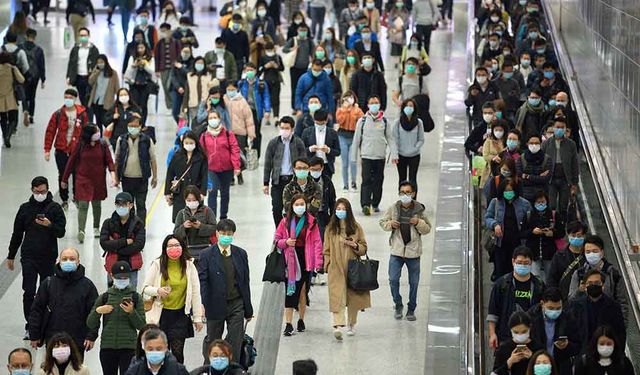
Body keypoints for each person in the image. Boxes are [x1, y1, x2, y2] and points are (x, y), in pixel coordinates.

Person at [7, 176, 66, 340]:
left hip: (48, 256)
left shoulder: (55, 209)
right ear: (32, 190)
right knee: (29, 291)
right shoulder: (24, 209)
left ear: (47, 190)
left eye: (43, 191)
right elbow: (17, 233)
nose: (40, 194)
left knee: (47, 291)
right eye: (37, 191)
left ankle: (46, 323)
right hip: (29, 257)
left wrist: (49, 225)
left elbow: (61, 232)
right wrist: (11, 255)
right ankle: (31, 324)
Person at [198, 219, 254, 363]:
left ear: (233, 234)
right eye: (222, 233)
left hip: (236, 303)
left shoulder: (241, 254)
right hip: (214, 304)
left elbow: (245, 282)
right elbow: (203, 282)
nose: (226, 236)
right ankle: (209, 366)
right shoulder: (206, 255)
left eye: (229, 233)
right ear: (217, 233)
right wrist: (202, 304)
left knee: (236, 339)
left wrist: (248, 310)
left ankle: (232, 367)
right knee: (213, 339)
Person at [142, 235, 204, 364]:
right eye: (170, 246)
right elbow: (145, 289)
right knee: (161, 352)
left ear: (182, 247)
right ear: (165, 249)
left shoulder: (189, 265)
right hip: (161, 315)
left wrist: (197, 317)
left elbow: (195, 293)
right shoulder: (157, 264)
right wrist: (157, 290)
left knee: (177, 353)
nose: (173, 248)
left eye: (177, 245)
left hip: (180, 315)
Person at [28, 248, 99, 352]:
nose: (68, 261)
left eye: (72, 259)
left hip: (78, 341)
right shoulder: (48, 284)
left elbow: (94, 313)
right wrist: (34, 334)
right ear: (59, 261)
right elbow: (36, 310)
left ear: (78, 262)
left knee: (76, 368)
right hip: (53, 340)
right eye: (64, 259)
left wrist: (91, 336)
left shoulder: (87, 286)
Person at [380, 180, 432, 320]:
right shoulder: (393, 208)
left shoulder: (419, 209)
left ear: (413, 193)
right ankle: (398, 304)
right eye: (402, 192)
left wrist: (419, 223)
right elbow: (382, 222)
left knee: (414, 283)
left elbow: (427, 228)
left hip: (413, 252)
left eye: (408, 192)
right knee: (393, 279)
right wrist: (390, 224)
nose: (405, 195)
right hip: (396, 251)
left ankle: (411, 308)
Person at [274, 194, 323, 336]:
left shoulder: (312, 222)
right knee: (290, 292)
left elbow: (317, 243)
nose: (300, 207)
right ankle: (288, 323)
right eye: (297, 204)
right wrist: (286, 242)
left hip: (305, 259)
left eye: (302, 204)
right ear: (292, 206)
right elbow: (277, 240)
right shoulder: (285, 222)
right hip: (290, 259)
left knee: (302, 290)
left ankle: (301, 319)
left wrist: (318, 263)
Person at [87, 261, 146, 375]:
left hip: (129, 348)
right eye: (119, 277)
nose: (122, 280)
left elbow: (142, 326)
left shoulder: (136, 297)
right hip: (107, 347)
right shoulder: (104, 296)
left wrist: (131, 312)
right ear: (112, 276)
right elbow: (90, 323)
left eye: (125, 277)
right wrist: (98, 311)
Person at [322, 198, 369, 340]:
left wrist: (354, 245)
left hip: (353, 266)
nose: (340, 211)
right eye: (338, 209)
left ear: (348, 211)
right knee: (337, 296)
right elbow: (326, 249)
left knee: (353, 296)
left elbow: (364, 248)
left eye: (343, 209)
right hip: (336, 268)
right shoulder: (330, 229)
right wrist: (328, 264)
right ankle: (337, 325)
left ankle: (351, 323)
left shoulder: (356, 227)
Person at [62, 125, 115, 243]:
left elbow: (109, 161)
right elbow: (71, 161)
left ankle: (96, 227)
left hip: (98, 180)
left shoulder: (102, 145)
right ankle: (81, 230)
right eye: (96, 131)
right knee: (83, 205)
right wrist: (64, 179)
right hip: (83, 179)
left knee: (96, 204)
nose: (98, 133)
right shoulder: (80, 145)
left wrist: (113, 175)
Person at [488, 246, 545, 347]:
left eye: (526, 263)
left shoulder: (538, 285)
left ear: (531, 263)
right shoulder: (502, 284)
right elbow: (493, 312)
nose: (522, 266)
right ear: (513, 261)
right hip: (506, 336)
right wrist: (492, 334)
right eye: (519, 262)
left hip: (531, 337)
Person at [43, 89, 89, 210]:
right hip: (61, 149)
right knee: (63, 174)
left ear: (75, 99)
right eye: (66, 97)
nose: (68, 99)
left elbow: (87, 132)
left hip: (77, 151)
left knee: (77, 174)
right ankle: (64, 199)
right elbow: (50, 132)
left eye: (70, 97)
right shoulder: (58, 114)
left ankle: (76, 197)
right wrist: (47, 150)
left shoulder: (82, 114)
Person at [351, 95, 397, 215]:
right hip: (366, 156)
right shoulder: (362, 121)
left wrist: (394, 154)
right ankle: (365, 204)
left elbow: (390, 138)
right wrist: (353, 157)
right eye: (372, 103)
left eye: (376, 102)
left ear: (379, 104)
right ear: (368, 105)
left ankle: (375, 203)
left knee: (378, 180)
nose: (374, 105)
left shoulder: (385, 121)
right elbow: (356, 139)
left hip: (380, 156)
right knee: (366, 180)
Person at [567, 235, 628, 320]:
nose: (591, 254)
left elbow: (622, 303)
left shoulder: (613, 274)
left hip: (608, 322)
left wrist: (622, 325)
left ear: (602, 252)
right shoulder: (579, 274)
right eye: (588, 252)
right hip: (584, 321)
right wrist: (579, 290)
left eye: (595, 251)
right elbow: (571, 300)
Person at [263, 117, 307, 226]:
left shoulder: (298, 142)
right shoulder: (273, 143)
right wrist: (265, 183)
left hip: (293, 182)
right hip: (278, 181)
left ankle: (292, 231)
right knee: (277, 208)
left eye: (287, 128)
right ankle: (279, 231)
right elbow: (268, 163)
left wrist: (304, 180)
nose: (284, 130)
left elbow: (304, 163)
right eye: (282, 128)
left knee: (293, 209)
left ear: (292, 129)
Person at [567, 270, 627, 349]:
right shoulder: (576, 305)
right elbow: (571, 331)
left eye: (597, 283)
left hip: (606, 353)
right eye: (590, 283)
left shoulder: (614, 306)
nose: (593, 285)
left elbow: (620, 333)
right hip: (583, 354)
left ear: (603, 286)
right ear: (585, 286)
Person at [114, 116, 158, 223]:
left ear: (140, 127)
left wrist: (155, 176)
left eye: (135, 126)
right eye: (130, 126)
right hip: (126, 178)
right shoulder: (121, 140)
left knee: (141, 204)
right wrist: (116, 177)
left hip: (141, 178)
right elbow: (117, 159)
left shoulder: (147, 140)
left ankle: (141, 227)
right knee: (128, 205)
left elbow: (153, 159)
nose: (133, 128)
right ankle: (130, 226)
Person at [527, 287, 581, 375]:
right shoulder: (530, 318)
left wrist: (567, 345)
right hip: (537, 366)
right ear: (542, 303)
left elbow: (578, 345)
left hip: (561, 367)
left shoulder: (568, 318)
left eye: (558, 308)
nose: (555, 311)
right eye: (550, 308)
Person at [486, 180, 532, 278]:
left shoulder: (524, 204)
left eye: (510, 190)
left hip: (518, 244)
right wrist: (495, 225)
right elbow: (487, 218)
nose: (508, 193)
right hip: (500, 244)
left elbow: (530, 221)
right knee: (501, 271)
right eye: (506, 190)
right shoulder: (496, 202)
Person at [199, 111, 241, 219]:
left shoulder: (228, 134)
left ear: (219, 119)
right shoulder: (204, 136)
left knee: (225, 193)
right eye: (211, 118)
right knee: (212, 192)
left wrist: (236, 166)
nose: (213, 120)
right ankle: (212, 217)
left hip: (227, 169)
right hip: (211, 169)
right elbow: (201, 154)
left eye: (215, 117)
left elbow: (235, 149)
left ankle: (223, 216)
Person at [99, 192, 146, 288]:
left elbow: (139, 245)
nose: (121, 207)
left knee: (131, 294)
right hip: (113, 265)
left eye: (124, 204)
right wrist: (125, 242)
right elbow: (104, 243)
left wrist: (115, 247)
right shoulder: (108, 223)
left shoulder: (138, 224)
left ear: (131, 205)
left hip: (131, 266)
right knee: (112, 293)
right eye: (118, 204)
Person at [165, 131, 209, 222]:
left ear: (196, 143)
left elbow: (204, 175)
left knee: (196, 219)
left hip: (196, 193)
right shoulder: (177, 156)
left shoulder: (201, 157)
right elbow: (169, 174)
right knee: (180, 220)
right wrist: (167, 192)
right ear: (182, 143)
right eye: (186, 143)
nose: (189, 145)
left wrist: (203, 192)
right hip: (180, 193)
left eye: (191, 143)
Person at [541, 117, 579, 220]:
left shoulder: (571, 144)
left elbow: (574, 164)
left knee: (563, 205)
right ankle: (552, 223)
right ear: (553, 128)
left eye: (562, 127)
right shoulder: (546, 144)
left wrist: (574, 183)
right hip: (551, 179)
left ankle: (562, 224)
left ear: (566, 129)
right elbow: (540, 161)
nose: (559, 129)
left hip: (565, 179)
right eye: (557, 127)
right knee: (551, 205)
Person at [173, 185, 217, 261]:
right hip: (187, 250)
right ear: (185, 200)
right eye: (189, 200)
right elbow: (176, 234)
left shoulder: (207, 211)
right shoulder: (181, 213)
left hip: (205, 249)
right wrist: (183, 227)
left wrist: (201, 226)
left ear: (198, 199)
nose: (191, 202)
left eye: (194, 200)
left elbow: (214, 229)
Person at [238, 62, 271, 158]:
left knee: (256, 133)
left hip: (256, 111)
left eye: (251, 70)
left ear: (255, 71)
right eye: (247, 70)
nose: (249, 72)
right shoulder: (241, 83)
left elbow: (266, 97)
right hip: (244, 112)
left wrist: (267, 110)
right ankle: (244, 155)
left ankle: (256, 155)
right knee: (243, 133)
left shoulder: (261, 84)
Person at [224, 82, 255, 183]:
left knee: (239, 154)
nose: (230, 92)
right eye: (229, 90)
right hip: (227, 132)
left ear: (236, 90)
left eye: (232, 90)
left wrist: (251, 133)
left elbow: (249, 118)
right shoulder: (224, 100)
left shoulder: (242, 101)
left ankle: (239, 173)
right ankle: (231, 177)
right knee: (228, 155)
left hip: (240, 132)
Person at [524, 191, 558, 283]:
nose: (540, 204)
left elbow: (561, 232)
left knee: (550, 278)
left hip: (549, 253)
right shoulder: (529, 215)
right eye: (538, 202)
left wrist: (552, 233)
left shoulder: (553, 215)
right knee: (535, 278)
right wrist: (532, 231)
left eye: (543, 202)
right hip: (533, 252)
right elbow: (522, 233)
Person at [547, 220, 586, 299]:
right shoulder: (559, 256)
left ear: (584, 236)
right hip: (565, 298)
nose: (576, 238)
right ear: (568, 235)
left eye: (579, 235)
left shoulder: (588, 254)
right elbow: (552, 279)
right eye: (573, 235)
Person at [124, 328, 190, 374]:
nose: (154, 352)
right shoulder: (135, 371)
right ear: (144, 348)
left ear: (166, 347)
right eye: (150, 349)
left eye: (159, 349)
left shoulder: (178, 371)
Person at [335, 91, 363, 192]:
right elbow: (340, 121)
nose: (348, 100)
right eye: (346, 98)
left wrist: (353, 110)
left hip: (354, 137)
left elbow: (361, 121)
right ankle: (345, 184)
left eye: (350, 98)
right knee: (345, 162)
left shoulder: (357, 110)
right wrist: (346, 110)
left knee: (353, 161)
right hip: (342, 136)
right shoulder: (339, 110)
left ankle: (353, 182)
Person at [395, 99, 425, 192]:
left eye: (411, 106)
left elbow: (421, 139)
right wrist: (396, 152)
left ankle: (413, 201)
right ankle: (402, 201)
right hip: (401, 155)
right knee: (402, 179)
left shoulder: (419, 123)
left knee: (413, 179)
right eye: (407, 106)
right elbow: (395, 138)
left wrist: (415, 147)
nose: (409, 108)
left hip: (414, 155)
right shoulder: (398, 122)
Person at [65, 28, 100, 107]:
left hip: (89, 78)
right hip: (79, 78)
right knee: (82, 98)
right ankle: (85, 115)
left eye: (85, 35)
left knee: (89, 99)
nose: (83, 37)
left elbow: (97, 64)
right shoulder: (75, 49)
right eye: (81, 35)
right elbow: (71, 63)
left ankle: (89, 118)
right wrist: (68, 76)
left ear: (89, 36)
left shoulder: (94, 50)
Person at [283, 24, 315, 108]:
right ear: (298, 30)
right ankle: (294, 106)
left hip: (305, 68)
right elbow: (284, 49)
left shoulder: (309, 41)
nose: (303, 32)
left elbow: (313, 53)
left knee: (305, 88)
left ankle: (304, 105)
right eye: (301, 30)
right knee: (294, 88)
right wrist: (292, 49)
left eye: (304, 30)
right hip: (294, 68)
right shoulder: (293, 40)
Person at [124, 42, 156, 124]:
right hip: (134, 84)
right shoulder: (132, 57)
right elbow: (127, 73)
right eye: (138, 48)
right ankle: (134, 122)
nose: (140, 50)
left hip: (146, 84)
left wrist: (145, 65)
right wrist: (133, 66)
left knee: (143, 105)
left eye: (142, 48)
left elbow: (152, 71)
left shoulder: (150, 58)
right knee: (134, 104)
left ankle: (143, 123)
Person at [302, 110, 340, 178]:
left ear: (326, 121)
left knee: (326, 187)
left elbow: (338, 152)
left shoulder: (332, 133)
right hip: (311, 166)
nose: (319, 125)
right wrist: (310, 149)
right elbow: (301, 150)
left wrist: (328, 150)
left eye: (321, 123)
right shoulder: (307, 132)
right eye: (317, 123)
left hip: (326, 166)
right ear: (314, 120)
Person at [20, 28, 45, 125]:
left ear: (26, 36)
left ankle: (25, 109)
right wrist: (43, 79)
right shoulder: (39, 50)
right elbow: (41, 65)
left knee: (24, 95)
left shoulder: (20, 47)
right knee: (32, 96)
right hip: (35, 75)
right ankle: (31, 116)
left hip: (23, 75)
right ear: (35, 37)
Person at [182, 56, 216, 126]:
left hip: (205, 105)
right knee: (194, 124)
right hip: (193, 104)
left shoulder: (209, 76)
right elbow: (187, 93)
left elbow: (212, 91)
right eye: (198, 63)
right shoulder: (189, 76)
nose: (199, 65)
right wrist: (184, 106)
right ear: (194, 64)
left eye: (201, 63)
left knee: (204, 124)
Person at [0, 51, 25, 148]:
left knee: (2, 119)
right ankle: (8, 136)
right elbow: (22, 80)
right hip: (10, 97)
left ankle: (5, 134)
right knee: (13, 118)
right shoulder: (12, 68)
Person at [516, 134, 551, 202]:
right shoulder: (521, 158)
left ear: (541, 144)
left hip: (542, 196)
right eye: (531, 143)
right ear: (527, 144)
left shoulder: (547, 159)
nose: (534, 145)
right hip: (525, 196)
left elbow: (546, 179)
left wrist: (527, 176)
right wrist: (538, 177)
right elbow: (520, 178)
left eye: (536, 143)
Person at [88, 55, 120, 129]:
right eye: (98, 62)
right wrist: (95, 72)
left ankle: (107, 136)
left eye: (101, 62)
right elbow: (90, 82)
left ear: (106, 62)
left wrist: (118, 100)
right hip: (96, 101)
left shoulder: (113, 73)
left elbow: (117, 88)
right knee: (98, 120)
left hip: (107, 102)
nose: (100, 64)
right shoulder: (96, 72)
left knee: (106, 121)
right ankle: (99, 136)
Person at [155, 23, 181, 112]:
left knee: (170, 85)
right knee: (165, 86)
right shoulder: (159, 44)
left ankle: (172, 105)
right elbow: (157, 57)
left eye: (166, 31)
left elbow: (179, 54)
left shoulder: (175, 42)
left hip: (173, 68)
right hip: (163, 68)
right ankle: (169, 105)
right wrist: (157, 70)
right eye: (162, 31)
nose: (164, 33)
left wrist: (178, 65)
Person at [309, 157, 337, 239]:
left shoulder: (327, 181)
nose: (315, 172)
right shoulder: (304, 181)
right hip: (307, 215)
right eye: (312, 169)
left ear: (322, 168)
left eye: (317, 169)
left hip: (322, 215)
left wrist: (333, 218)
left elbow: (332, 201)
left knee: (321, 239)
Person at [168, 45, 194, 123]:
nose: (185, 54)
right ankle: (180, 125)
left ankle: (186, 126)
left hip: (188, 90)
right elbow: (173, 76)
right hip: (176, 89)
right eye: (184, 52)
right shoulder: (176, 62)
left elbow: (190, 74)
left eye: (187, 52)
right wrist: (178, 87)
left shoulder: (193, 62)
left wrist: (181, 67)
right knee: (175, 111)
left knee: (187, 110)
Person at [258, 42, 284, 119]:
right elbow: (259, 69)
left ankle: (276, 116)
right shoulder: (262, 58)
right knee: (266, 97)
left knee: (276, 98)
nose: (269, 51)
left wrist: (276, 66)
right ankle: (267, 114)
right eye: (268, 50)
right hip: (266, 80)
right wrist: (266, 66)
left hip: (276, 80)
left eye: (270, 49)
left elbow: (282, 68)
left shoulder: (278, 57)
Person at [480, 119, 506, 188]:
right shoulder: (488, 141)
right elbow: (485, 156)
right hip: (490, 171)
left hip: (505, 170)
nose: (498, 132)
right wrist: (494, 158)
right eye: (496, 130)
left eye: (500, 130)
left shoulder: (507, 141)